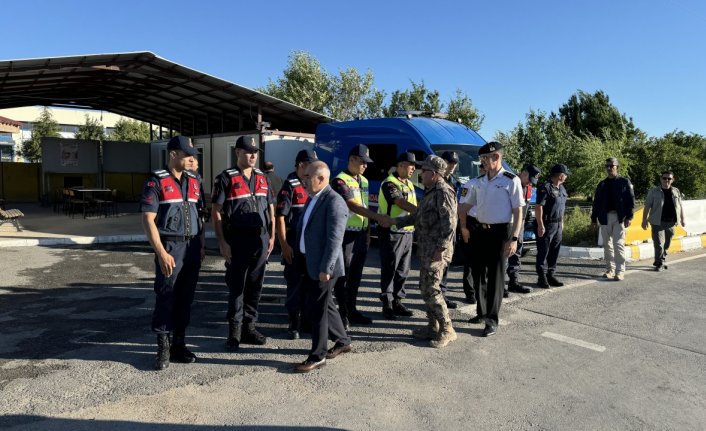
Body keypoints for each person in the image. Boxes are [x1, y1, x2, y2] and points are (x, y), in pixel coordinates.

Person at [140, 136, 206, 370]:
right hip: (170, 247)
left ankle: (179, 344)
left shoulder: (195, 181)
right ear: (173, 154)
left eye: (193, 155)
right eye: (187, 154)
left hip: (192, 247)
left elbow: (200, 215)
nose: (191, 158)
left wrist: (202, 245)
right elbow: (148, 219)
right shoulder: (156, 181)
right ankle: (163, 348)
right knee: (166, 296)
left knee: (186, 298)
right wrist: (160, 252)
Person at [212, 135, 275, 350]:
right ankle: (234, 333)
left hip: (260, 239)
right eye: (248, 151)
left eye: (255, 152)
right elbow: (217, 212)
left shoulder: (262, 177)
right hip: (237, 241)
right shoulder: (225, 178)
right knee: (236, 287)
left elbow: (270, 208)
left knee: (255, 286)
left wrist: (273, 236)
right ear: (237, 152)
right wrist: (222, 242)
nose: (252, 156)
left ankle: (250, 328)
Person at [394, 155, 458, 348]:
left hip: (437, 251)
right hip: (426, 248)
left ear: (435, 174)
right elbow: (419, 217)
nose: (421, 173)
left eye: (425, 170)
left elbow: (450, 224)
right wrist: (396, 222)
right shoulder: (430, 191)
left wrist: (441, 248)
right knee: (424, 288)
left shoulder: (443, 192)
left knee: (432, 289)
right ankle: (433, 326)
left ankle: (447, 329)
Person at [294, 161, 352, 373]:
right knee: (326, 305)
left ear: (321, 179)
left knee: (317, 309)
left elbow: (334, 240)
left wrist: (326, 269)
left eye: (308, 176)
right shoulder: (313, 198)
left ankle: (318, 356)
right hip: (309, 262)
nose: (304, 180)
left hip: (324, 267)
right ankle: (343, 340)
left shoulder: (334, 202)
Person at [462, 141, 524, 337]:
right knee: (479, 274)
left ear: (496, 157)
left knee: (495, 278)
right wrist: (460, 224)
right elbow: (465, 205)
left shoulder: (510, 180)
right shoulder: (480, 181)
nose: (482, 162)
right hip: (480, 231)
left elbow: (518, 211)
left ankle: (492, 320)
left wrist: (514, 238)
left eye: (484, 159)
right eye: (481, 159)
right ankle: (481, 312)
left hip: (500, 233)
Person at [331, 144, 391, 328]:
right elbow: (353, 205)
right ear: (352, 160)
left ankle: (352, 309)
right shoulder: (339, 181)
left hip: (361, 234)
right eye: (362, 162)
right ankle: (341, 315)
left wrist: (369, 231)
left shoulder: (363, 181)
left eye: (367, 162)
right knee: (343, 276)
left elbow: (364, 205)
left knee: (356, 275)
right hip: (345, 235)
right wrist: (378, 217)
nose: (365, 165)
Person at [276, 149, 317, 339]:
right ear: (301, 165)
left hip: (310, 244)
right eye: (310, 164)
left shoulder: (312, 184)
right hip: (293, 242)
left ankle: (307, 321)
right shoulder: (290, 185)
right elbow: (280, 217)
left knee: (310, 284)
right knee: (295, 284)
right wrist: (284, 244)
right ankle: (293, 323)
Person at [377, 152, 418, 320]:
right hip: (392, 232)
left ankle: (397, 301)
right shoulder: (390, 183)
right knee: (390, 268)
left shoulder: (408, 182)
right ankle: (387, 303)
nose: (414, 168)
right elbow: (400, 202)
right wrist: (422, 212)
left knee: (403, 270)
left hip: (407, 231)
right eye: (410, 165)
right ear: (400, 165)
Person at [590, 157, 635, 281]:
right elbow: (596, 203)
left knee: (618, 244)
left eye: (612, 166)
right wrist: (593, 219)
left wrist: (629, 216)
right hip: (604, 217)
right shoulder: (602, 184)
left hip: (619, 217)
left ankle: (620, 271)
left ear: (617, 167)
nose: (609, 168)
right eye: (607, 166)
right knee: (607, 246)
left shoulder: (624, 182)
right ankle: (610, 269)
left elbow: (631, 200)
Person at [641, 171, 686, 271]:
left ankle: (660, 259)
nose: (666, 180)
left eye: (669, 179)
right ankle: (660, 263)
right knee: (659, 244)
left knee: (667, 243)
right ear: (660, 179)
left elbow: (680, 206)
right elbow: (647, 206)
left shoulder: (676, 191)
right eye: (664, 178)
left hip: (671, 222)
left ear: (672, 180)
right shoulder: (653, 192)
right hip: (657, 222)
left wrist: (683, 218)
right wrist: (644, 220)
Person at [506, 164, 540, 294]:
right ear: (524, 173)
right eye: (529, 179)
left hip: (521, 223)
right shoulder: (511, 183)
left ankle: (513, 282)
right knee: (505, 253)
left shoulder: (528, 186)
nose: (530, 183)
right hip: (508, 223)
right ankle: (500, 285)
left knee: (516, 253)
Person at [535, 164, 569, 288]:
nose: (566, 177)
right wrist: (540, 225)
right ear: (560, 175)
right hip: (547, 224)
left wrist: (562, 222)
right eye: (565, 175)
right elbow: (539, 207)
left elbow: (562, 207)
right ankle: (541, 277)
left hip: (558, 224)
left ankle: (550, 274)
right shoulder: (546, 187)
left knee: (554, 251)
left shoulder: (562, 188)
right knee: (543, 251)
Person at [458, 165, 487, 305]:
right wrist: (463, 228)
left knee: (485, 261)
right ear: (480, 169)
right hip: (472, 224)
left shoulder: (494, 185)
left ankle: (482, 289)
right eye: (485, 169)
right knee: (469, 261)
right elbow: (461, 208)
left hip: (488, 225)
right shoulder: (470, 184)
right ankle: (470, 293)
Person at [438, 150, 460, 309]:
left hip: (450, 229)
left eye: (455, 163)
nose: (453, 166)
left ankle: (442, 295)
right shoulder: (437, 180)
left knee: (446, 264)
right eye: (450, 162)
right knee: (437, 266)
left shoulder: (452, 180)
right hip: (439, 230)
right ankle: (436, 297)